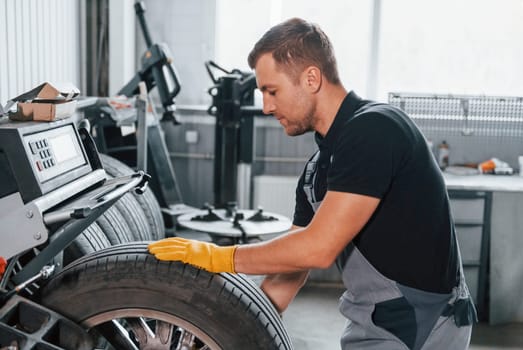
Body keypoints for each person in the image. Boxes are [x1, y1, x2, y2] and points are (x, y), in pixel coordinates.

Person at [148, 17, 477, 349]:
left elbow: (318, 248)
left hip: (422, 325)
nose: (266, 107)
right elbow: (287, 273)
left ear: (311, 78)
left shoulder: (377, 130)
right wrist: (214, 337)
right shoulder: (316, 172)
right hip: (375, 324)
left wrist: (220, 257)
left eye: (271, 91)